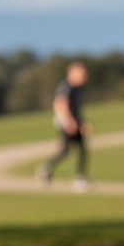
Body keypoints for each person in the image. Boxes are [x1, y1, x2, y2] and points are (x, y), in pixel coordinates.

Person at [37, 61, 93, 191]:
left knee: (82, 149)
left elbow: (77, 109)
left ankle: (80, 178)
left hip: (75, 122)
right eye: (81, 73)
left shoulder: (79, 88)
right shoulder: (66, 87)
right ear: (72, 73)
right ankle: (46, 167)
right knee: (65, 150)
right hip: (66, 123)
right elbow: (60, 105)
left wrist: (81, 122)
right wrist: (69, 122)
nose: (84, 76)